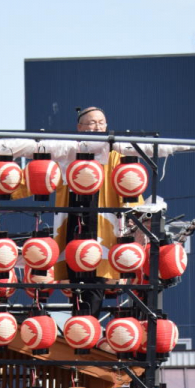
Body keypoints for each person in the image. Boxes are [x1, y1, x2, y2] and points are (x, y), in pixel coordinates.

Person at [52, 106, 141, 317]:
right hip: (74, 215)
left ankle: (86, 323)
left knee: (98, 273)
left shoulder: (115, 153)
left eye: (101, 122)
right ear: (80, 127)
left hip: (102, 220)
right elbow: (42, 173)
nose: (98, 126)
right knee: (77, 273)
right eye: (92, 123)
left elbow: (129, 183)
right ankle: (82, 322)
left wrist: (138, 215)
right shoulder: (67, 151)